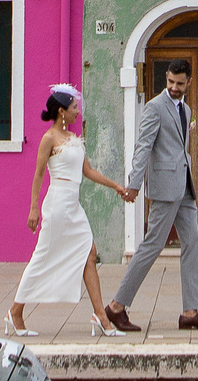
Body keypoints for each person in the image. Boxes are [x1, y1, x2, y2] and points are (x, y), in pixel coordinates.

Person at [102, 57, 198, 333]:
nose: (174, 88)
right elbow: (143, 146)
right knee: (152, 246)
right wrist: (134, 183)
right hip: (165, 189)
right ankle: (117, 306)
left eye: (180, 83)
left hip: (184, 186)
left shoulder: (186, 108)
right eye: (170, 82)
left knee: (192, 242)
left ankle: (191, 311)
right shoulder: (155, 107)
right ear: (166, 78)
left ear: (189, 82)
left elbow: (179, 147)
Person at [8, 85, 135, 338]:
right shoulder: (49, 138)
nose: (78, 112)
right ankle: (16, 311)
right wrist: (34, 208)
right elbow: (38, 174)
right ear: (61, 111)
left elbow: (88, 171)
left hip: (74, 206)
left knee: (89, 253)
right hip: (56, 205)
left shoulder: (74, 139)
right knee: (42, 256)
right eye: (75, 107)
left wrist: (116, 187)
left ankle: (101, 315)